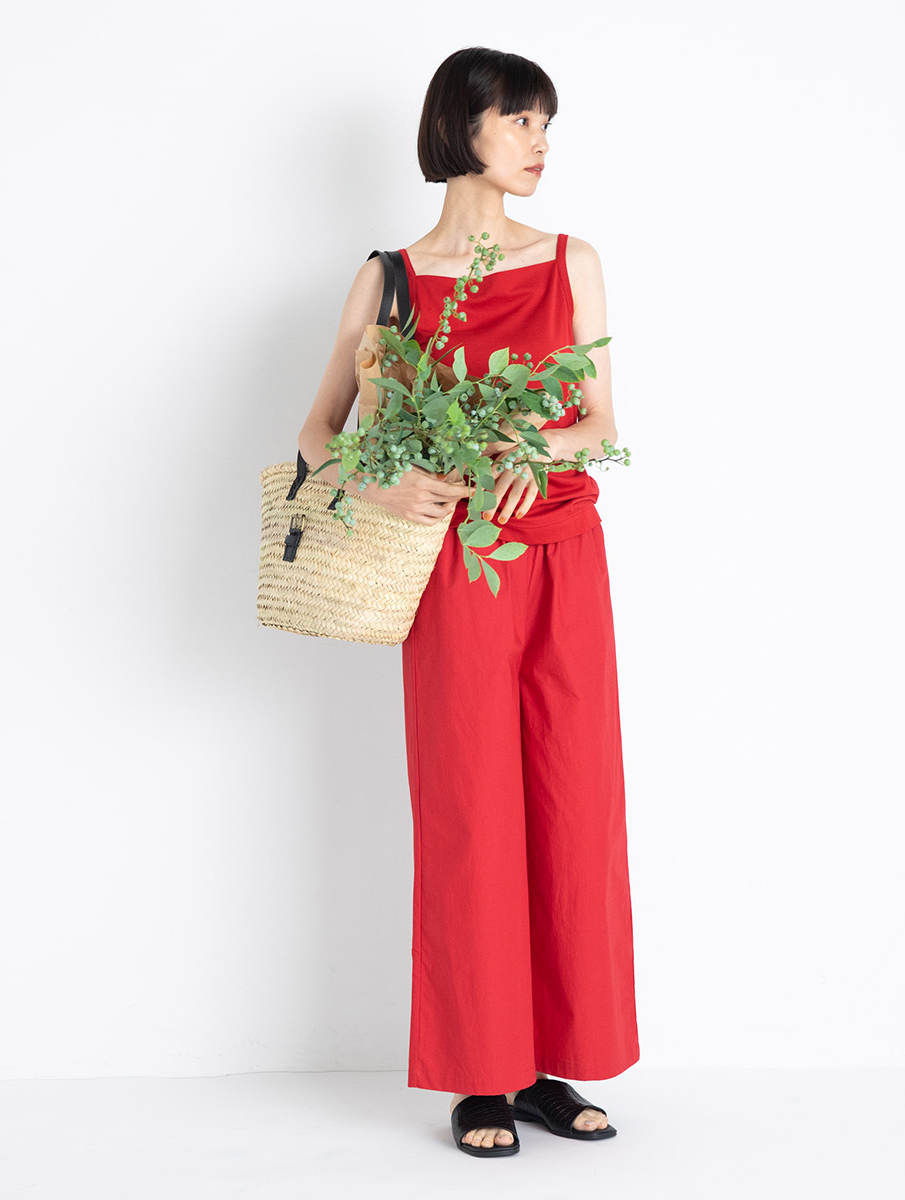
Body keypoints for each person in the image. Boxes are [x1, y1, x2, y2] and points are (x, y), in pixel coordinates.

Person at [298, 46, 639, 1158]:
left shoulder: (571, 261)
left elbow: (603, 424)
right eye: (521, 120)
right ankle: (482, 1076)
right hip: (453, 572)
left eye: (546, 123)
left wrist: (538, 446)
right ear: (462, 127)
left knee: (571, 808)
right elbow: (317, 435)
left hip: (563, 561)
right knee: (471, 811)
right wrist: (381, 482)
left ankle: (547, 1066)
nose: (541, 142)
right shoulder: (390, 279)